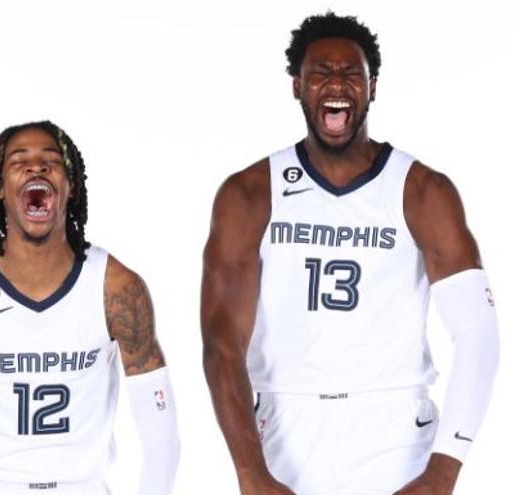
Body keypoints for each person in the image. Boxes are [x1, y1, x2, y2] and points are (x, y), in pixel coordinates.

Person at [201, 12, 499, 495]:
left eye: (350, 73)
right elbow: (221, 342)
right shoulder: (250, 193)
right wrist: (250, 471)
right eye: (320, 72)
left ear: (372, 87)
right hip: (284, 428)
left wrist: (444, 471)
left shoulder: (422, 191)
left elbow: (478, 333)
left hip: (396, 431)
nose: (335, 83)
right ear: (297, 86)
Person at [0, 121, 180, 495]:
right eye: (20, 160)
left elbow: (160, 433)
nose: (37, 167)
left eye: (51, 161)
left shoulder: (116, 288)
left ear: (71, 185)